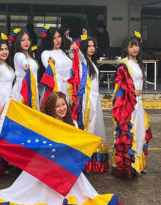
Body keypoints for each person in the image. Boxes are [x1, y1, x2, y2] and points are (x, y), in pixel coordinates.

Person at [0, 92, 120, 205]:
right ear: (51, 109)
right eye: (57, 106)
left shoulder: (72, 124)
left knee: (83, 195)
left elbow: (78, 142)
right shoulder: (44, 124)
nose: (62, 108)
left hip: (65, 167)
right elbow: (22, 133)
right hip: (45, 165)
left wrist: (92, 140)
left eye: (63, 104)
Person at [111, 32, 152, 179]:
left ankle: (138, 164)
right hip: (128, 103)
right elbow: (120, 83)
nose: (135, 48)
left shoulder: (137, 63)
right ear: (126, 48)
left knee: (140, 131)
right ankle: (129, 164)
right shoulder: (124, 63)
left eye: (136, 45)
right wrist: (131, 91)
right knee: (129, 131)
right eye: (131, 46)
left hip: (138, 102)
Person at [78, 37, 109, 173]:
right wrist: (76, 46)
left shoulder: (92, 62)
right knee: (88, 126)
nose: (91, 48)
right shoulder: (83, 61)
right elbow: (79, 54)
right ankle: (86, 162)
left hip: (94, 98)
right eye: (88, 46)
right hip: (87, 98)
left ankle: (94, 162)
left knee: (95, 127)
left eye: (93, 46)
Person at [40, 27, 73, 104]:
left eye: (59, 37)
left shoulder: (63, 52)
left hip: (68, 88)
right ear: (49, 40)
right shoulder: (46, 53)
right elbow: (49, 69)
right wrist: (51, 63)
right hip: (56, 87)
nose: (58, 40)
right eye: (54, 38)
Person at [12, 29, 40, 110]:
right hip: (23, 89)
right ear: (18, 42)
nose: (26, 42)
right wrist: (25, 65)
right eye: (23, 40)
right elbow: (23, 61)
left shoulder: (31, 55)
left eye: (28, 40)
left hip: (33, 88)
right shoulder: (18, 55)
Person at [0, 34, 15, 109]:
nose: (5, 52)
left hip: (10, 96)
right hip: (1, 98)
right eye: (1, 50)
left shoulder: (7, 64)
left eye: (6, 49)